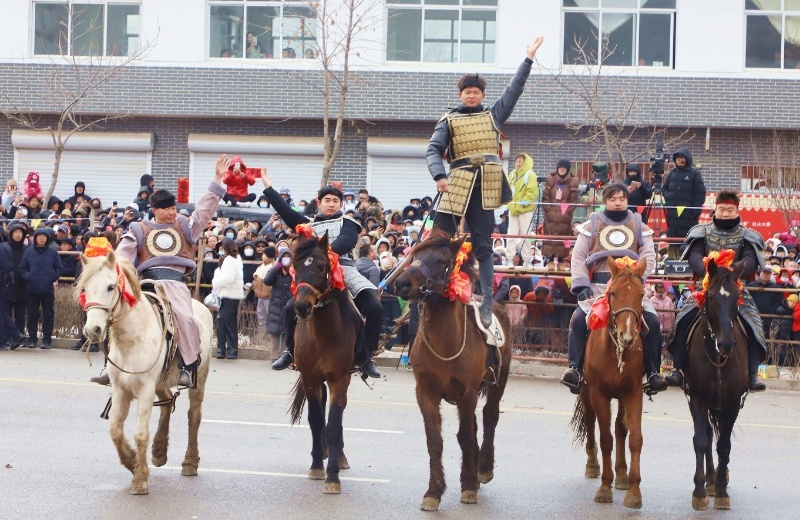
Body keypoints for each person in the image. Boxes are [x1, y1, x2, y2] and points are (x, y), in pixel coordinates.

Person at [426, 36, 544, 327]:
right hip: (455, 183)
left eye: (476, 91)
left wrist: (527, 59)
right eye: (467, 91)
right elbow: (432, 150)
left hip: (485, 187)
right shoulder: (448, 120)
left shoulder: (494, 115)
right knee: (439, 240)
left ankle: (489, 298)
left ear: (482, 94)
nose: (471, 95)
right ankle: (431, 287)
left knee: (483, 246)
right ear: (460, 95)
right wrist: (439, 175)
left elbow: (513, 90)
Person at [93, 155, 228, 388]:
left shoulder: (185, 226)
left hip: (175, 284)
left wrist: (217, 179)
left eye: (174, 208)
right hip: (145, 285)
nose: (172, 213)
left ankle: (187, 366)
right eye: (167, 209)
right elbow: (123, 259)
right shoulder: (138, 229)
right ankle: (110, 364)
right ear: (155, 210)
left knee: (185, 317)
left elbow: (204, 210)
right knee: (114, 314)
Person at [261, 173, 383, 378]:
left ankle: (365, 357)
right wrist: (269, 190)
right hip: (315, 272)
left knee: (375, 307)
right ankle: (290, 351)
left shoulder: (349, 223)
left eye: (336, 201)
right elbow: (287, 213)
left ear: (341, 204)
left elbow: (346, 241)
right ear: (319, 203)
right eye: (327, 200)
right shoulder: (308, 224)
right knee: (290, 307)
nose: (332, 204)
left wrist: (322, 253)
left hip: (345, 270)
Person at [559, 183, 668, 395]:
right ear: (605, 201)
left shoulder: (639, 225)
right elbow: (579, 257)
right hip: (598, 288)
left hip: (630, 288)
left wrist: (635, 280)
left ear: (628, 201)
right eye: (612, 199)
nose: (617, 203)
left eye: (622, 199)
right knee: (580, 321)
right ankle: (574, 369)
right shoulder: (591, 225)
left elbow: (649, 256)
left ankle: (654, 372)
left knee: (653, 323)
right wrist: (582, 285)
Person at [665, 190, 767, 392]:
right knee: (683, 320)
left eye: (730, 210)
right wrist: (709, 271)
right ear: (715, 209)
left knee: (754, 325)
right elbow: (694, 256)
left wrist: (729, 274)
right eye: (722, 209)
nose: (726, 213)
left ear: (737, 210)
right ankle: (677, 368)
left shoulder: (749, 236)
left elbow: (750, 261)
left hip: (735, 290)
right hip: (706, 289)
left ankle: (752, 373)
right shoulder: (700, 232)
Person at [19, 227, 62, 349]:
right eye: (39, 236)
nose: (41, 238)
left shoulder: (52, 252)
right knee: (32, 314)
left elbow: (59, 269)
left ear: (47, 238)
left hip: (47, 289)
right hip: (31, 289)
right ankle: (32, 339)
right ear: (35, 237)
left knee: (48, 314)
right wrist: (29, 277)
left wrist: (50, 278)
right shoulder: (28, 252)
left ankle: (47, 340)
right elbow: (22, 269)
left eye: (44, 236)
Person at [662, 148, 706, 258]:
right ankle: (672, 260)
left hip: (688, 215)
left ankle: (687, 260)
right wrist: (668, 198)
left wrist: (695, 210)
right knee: (673, 237)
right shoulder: (672, 173)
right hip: (672, 214)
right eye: (678, 158)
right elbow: (664, 188)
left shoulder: (694, 173)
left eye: (682, 158)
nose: (680, 160)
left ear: (687, 159)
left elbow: (700, 193)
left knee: (688, 239)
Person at [541, 159, 579, 268]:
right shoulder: (551, 180)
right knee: (550, 236)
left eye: (564, 168)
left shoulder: (572, 181)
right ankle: (550, 259)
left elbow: (574, 200)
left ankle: (561, 260)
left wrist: (567, 212)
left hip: (564, 216)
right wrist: (548, 209)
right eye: (560, 168)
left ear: (567, 169)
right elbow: (545, 197)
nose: (562, 170)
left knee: (563, 237)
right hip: (550, 215)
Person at [212, 238, 244, 360]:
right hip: (225, 294)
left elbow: (228, 278)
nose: (220, 250)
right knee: (221, 323)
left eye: (222, 247)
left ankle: (231, 350)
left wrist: (216, 282)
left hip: (230, 295)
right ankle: (222, 350)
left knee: (227, 323)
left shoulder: (230, 260)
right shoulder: (229, 260)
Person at [505, 153, 539, 264]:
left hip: (526, 210)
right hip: (513, 209)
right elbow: (507, 190)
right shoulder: (512, 175)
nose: (518, 163)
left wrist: (521, 204)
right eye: (517, 161)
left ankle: (527, 261)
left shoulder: (530, 175)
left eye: (521, 161)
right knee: (511, 234)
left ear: (526, 162)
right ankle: (509, 259)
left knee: (526, 234)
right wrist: (510, 204)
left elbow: (532, 193)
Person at [264, 247, 294, 362]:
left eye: (288, 256)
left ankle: (285, 356)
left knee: (288, 331)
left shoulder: (293, 271)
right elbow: (267, 281)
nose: (286, 259)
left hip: (289, 304)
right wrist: (276, 268)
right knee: (275, 332)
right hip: (276, 305)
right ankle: (274, 357)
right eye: (284, 256)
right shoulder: (276, 271)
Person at [748, 265, 783, 340]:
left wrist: (771, 311)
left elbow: (778, 301)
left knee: (767, 337)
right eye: (764, 273)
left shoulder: (775, 287)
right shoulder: (752, 285)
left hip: (768, 318)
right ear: (760, 273)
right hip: (754, 316)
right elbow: (749, 299)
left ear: (770, 275)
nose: (766, 275)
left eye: (768, 273)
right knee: (752, 337)